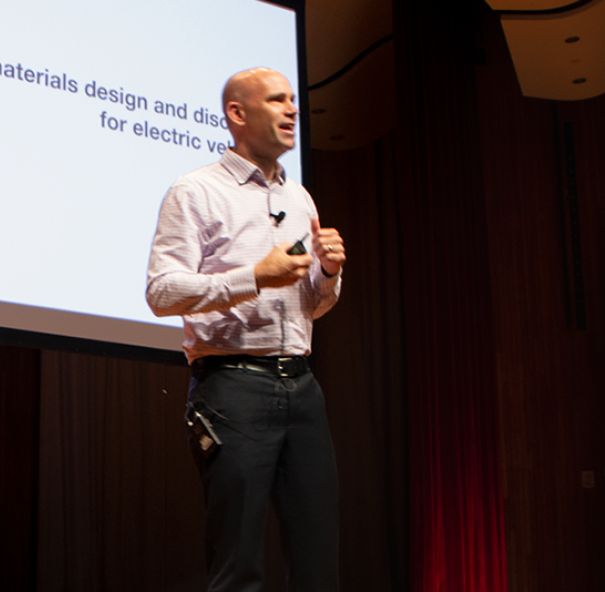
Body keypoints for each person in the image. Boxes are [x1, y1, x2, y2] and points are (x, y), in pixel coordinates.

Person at [146, 67, 345, 592]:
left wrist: (328, 273)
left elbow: (313, 307)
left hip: (302, 386)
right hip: (231, 388)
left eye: (292, 100)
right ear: (238, 113)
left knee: (319, 557)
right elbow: (162, 293)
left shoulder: (300, 199)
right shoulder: (196, 191)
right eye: (277, 100)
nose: (292, 109)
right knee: (238, 564)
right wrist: (254, 276)